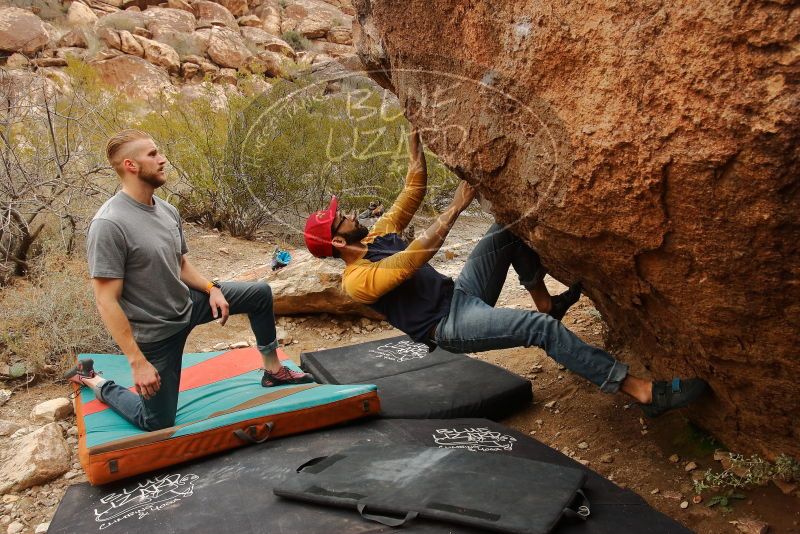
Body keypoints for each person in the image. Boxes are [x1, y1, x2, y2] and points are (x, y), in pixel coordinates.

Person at [304, 129, 707, 417]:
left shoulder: (376, 235)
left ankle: (545, 301)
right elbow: (413, 258)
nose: (349, 214)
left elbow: (412, 192)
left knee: (506, 229)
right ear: (337, 243)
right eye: (340, 218)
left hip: (460, 292)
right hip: (450, 325)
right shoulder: (356, 281)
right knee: (539, 331)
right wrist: (455, 208)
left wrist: (415, 146)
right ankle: (642, 392)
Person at [65, 130, 313, 432]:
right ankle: (94, 380)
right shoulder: (109, 224)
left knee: (259, 293)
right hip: (157, 332)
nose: (162, 159)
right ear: (130, 165)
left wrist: (211, 289)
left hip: (188, 304)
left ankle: (273, 371)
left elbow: (180, 263)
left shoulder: (166, 210)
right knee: (156, 422)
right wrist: (137, 361)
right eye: (153, 154)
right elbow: (106, 300)